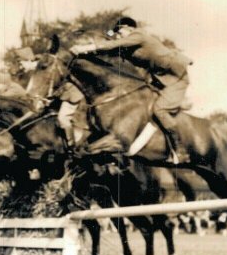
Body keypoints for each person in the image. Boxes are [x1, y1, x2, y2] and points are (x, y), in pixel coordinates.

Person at [70, 17, 193, 161]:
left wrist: (87, 47)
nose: (118, 34)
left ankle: (181, 151)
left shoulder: (139, 35)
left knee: (160, 109)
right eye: (116, 32)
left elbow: (114, 43)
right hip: (160, 79)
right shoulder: (128, 47)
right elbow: (109, 49)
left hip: (176, 78)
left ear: (129, 28)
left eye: (120, 31)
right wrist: (84, 52)